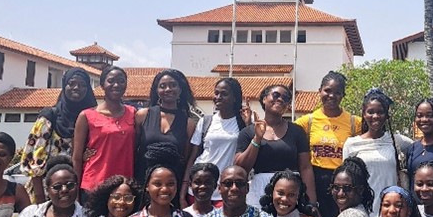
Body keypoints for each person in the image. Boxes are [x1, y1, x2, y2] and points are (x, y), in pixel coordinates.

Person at [21, 67, 97, 203]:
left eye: (82, 85)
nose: (76, 88)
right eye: (72, 83)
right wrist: (40, 199)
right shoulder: (50, 116)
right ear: (64, 85)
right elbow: (33, 158)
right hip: (47, 190)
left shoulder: (93, 118)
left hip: (79, 190)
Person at [294, 71, 361, 217]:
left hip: (342, 183)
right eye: (327, 90)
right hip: (315, 181)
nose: (331, 96)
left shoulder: (355, 123)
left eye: (337, 92)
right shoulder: (306, 122)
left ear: (343, 95)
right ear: (320, 91)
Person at [236, 84, 315, 207]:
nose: (280, 99)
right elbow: (241, 167)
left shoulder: (297, 131)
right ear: (264, 99)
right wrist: (257, 139)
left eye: (286, 98)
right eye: (276, 95)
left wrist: (311, 203)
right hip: (260, 192)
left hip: (290, 193)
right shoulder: (248, 132)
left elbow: (305, 168)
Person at [342, 88, 412, 217]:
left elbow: (422, 146)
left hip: (391, 213)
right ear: (363, 114)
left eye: (380, 112)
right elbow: (345, 183)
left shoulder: (397, 141)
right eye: (370, 112)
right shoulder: (351, 144)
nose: (375, 116)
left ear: (386, 115)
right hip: (362, 213)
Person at [181, 77, 250, 207]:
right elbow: (193, 157)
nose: (218, 97)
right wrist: (183, 190)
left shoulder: (242, 123)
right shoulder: (206, 121)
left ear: (235, 98)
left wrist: (248, 126)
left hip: (226, 190)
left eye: (224, 94)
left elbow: (249, 155)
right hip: (199, 188)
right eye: (216, 93)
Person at [72, 66, 136, 200]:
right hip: (94, 185)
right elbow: (77, 157)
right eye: (111, 81)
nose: (116, 85)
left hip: (124, 185)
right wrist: (76, 193)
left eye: (121, 81)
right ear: (102, 85)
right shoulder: (86, 116)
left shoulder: (134, 113)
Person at [135, 69, 197, 185]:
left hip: (171, 184)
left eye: (173, 85)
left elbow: (185, 158)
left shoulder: (189, 124)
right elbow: (133, 150)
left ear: (180, 89)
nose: (168, 89)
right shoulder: (142, 115)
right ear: (157, 90)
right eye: (163, 86)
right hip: (143, 181)